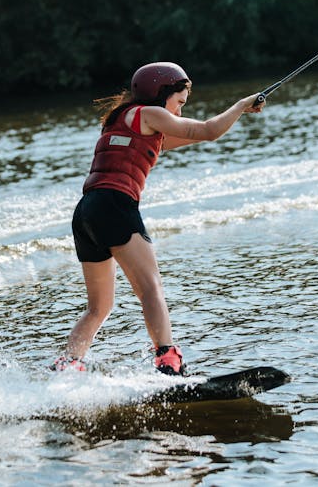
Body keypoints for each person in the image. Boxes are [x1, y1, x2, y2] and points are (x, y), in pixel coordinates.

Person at [54, 62, 264, 375]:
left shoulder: (124, 121)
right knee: (151, 288)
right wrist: (240, 105)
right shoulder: (148, 114)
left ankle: (67, 366)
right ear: (161, 93)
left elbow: (199, 135)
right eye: (179, 103)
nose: (179, 112)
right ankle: (168, 362)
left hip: (86, 213)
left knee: (99, 307)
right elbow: (207, 131)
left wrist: (234, 116)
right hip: (115, 205)